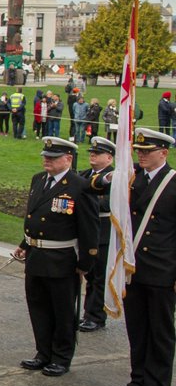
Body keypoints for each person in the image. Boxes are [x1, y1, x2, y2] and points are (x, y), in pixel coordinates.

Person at [97, 129, 176, 386]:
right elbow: (95, 185)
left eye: (148, 151)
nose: (141, 154)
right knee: (138, 330)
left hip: (162, 271)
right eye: (139, 150)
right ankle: (138, 382)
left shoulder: (173, 183)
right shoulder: (131, 181)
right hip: (133, 271)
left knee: (160, 334)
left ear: (163, 153)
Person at [11, 137, 99, 377]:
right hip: (36, 256)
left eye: (53, 157)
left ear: (68, 159)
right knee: (38, 307)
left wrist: (85, 263)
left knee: (62, 312)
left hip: (62, 259)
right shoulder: (38, 180)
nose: (46, 160)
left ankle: (61, 356)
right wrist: (25, 243)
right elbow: (37, 218)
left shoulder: (79, 186)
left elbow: (89, 228)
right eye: (45, 156)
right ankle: (43, 352)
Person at [77, 136, 115, 332]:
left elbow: (107, 203)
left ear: (109, 158)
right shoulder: (83, 175)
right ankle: (86, 313)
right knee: (87, 274)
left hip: (102, 232)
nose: (93, 155)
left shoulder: (114, 178)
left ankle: (95, 316)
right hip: (84, 233)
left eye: (98, 153)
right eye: (92, 152)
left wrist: (84, 202)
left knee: (98, 277)